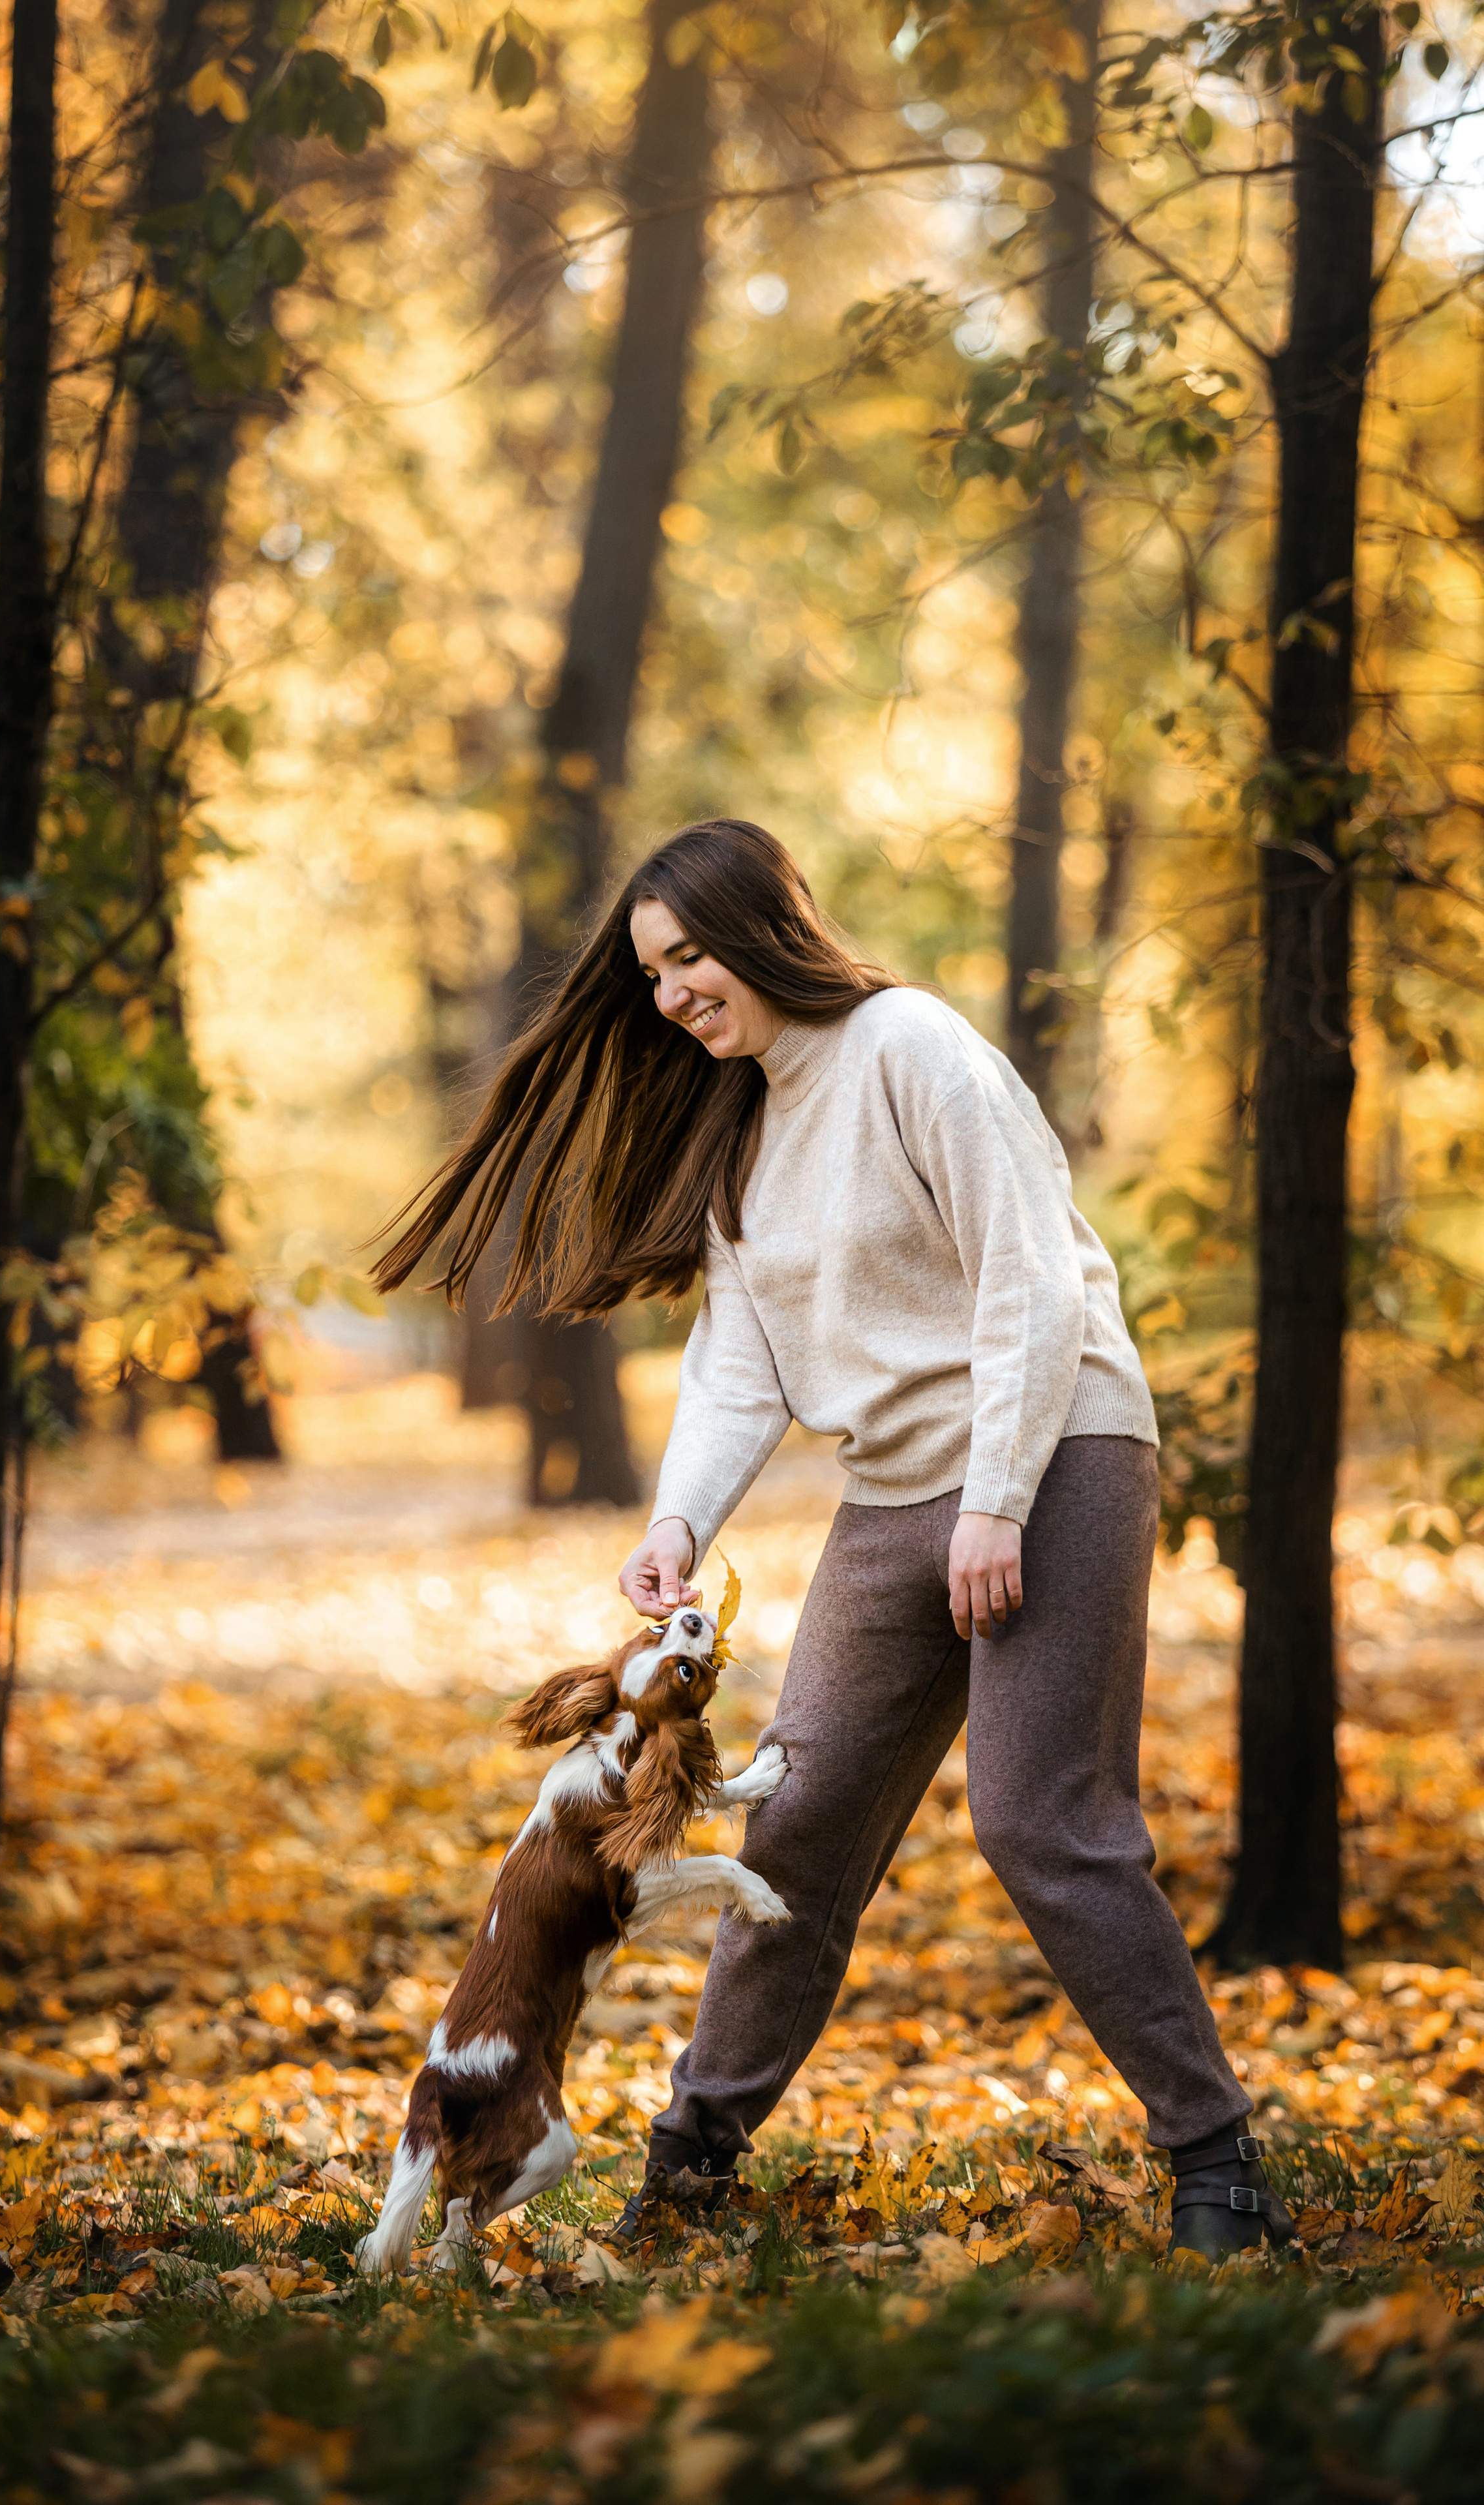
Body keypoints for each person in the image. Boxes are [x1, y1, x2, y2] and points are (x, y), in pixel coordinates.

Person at [372, 817, 1291, 2260]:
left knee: (1040, 1824)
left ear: (760, 927)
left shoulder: (909, 1048)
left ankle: (1216, 2163)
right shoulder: (738, 1117)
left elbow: (1031, 1286)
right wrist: (681, 1517)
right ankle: (691, 2163)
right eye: (652, 974)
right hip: (893, 1501)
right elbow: (740, 1362)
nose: (672, 994)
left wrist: (997, 1497)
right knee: (789, 1832)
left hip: (1056, 1454)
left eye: (688, 958)